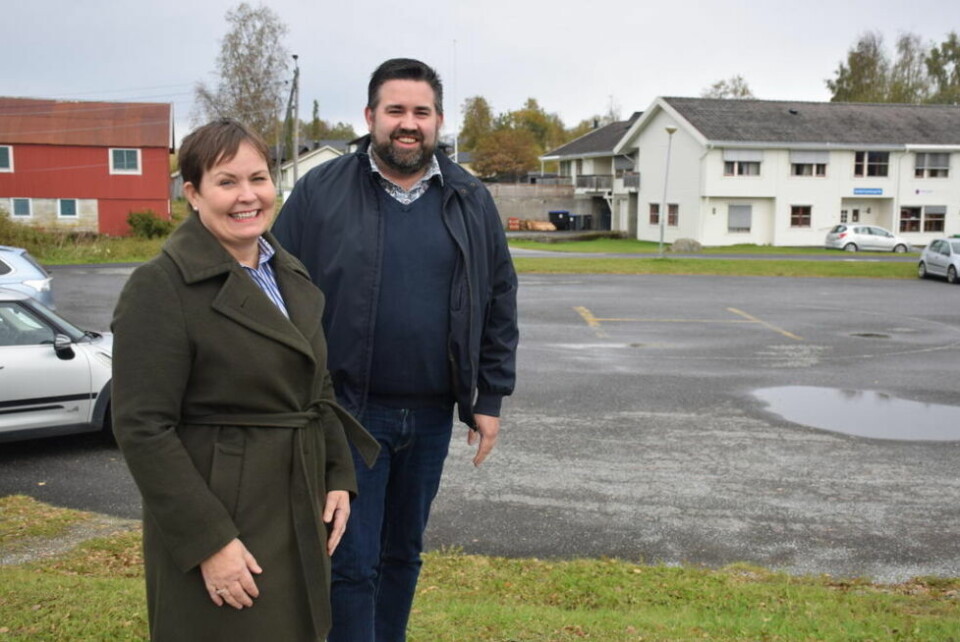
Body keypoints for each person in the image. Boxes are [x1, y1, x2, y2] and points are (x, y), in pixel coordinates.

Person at [272, 58, 519, 641]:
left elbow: (499, 297)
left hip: (432, 417)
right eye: (396, 111)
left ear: (437, 120)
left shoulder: (469, 197)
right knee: (351, 561)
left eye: (421, 112)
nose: (408, 124)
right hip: (349, 414)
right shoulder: (319, 192)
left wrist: (491, 397)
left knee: (403, 555)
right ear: (370, 117)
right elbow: (274, 287)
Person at [111, 119, 378, 641]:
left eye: (258, 178)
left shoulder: (287, 271)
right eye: (226, 181)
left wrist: (337, 473)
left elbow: (315, 385)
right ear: (192, 193)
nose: (247, 196)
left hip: (297, 498)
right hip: (225, 509)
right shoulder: (159, 287)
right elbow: (143, 428)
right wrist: (210, 542)